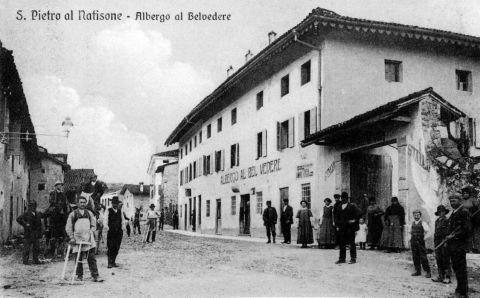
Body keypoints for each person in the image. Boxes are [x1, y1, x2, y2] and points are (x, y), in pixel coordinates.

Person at [65, 196, 100, 282]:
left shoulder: (89, 213)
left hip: (88, 238)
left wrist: (91, 232)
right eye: (81, 202)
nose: (82, 204)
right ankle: (79, 276)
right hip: (77, 238)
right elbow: (68, 227)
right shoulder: (73, 214)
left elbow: (93, 224)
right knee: (78, 258)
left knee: (91, 257)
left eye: (84, 202)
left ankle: (95, 275)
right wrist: (71, 238)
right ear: (77, 203)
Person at [446, 194, 471, 298]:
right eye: (451, 201)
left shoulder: (464, 212)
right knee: (456, 267)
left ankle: (463, 292)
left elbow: (467, 229)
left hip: (460, 245)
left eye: (454, 200)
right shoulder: (454, 213)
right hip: (453, 245)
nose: (452, 203)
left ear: (460, 201)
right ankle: (459, 289)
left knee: (461, 268)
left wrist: (454, 236)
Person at [334, 192, 361, 264]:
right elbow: (336, 217)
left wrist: (354, 220)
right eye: (342, 198)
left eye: (344, 198)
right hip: (342, 227)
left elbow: (359, 213)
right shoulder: (339, 206)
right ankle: (342, 258)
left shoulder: (352, 206)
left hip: (350, 228)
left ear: (347, 198)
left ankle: (353, 258)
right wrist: (337, 225)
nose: (343, 199)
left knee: (351, 243)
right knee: (342, 243)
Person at [46, 180, 69, 258]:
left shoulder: (63, 193)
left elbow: (65, 201)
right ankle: (48, 225)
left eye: (61, 185)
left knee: (67, 212)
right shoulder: (53, 193)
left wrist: (64, 206)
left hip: (62, 208)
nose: (60, 186)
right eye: (58, 185)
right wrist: (57, 204)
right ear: (56, 186)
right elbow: (51, 200)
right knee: (48, 212)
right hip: (55, 207)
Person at [17, 201, 44, 265]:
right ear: (30, 207)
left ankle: (36, 260)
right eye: (31, 206)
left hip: (36, 234)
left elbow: (40, 224)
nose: (33, 207)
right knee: (27, 248)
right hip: (29, 233)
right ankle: (25, 261)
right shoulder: (26, 214)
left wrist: (40, 233)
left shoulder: (37, 214)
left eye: (34, 206)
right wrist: (25, 224)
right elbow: (18, 219)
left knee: (36, 248)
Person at [432, 205, 452, 284]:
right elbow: (436, 233)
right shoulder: (437, 221)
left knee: (445, 259)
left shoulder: (447, 220)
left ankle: (447, 277)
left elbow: (448, 232)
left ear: (445, 212)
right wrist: (435, 243)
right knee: (439, 259)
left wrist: (446, 242)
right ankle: (440, 276)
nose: (441, 213)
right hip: (437, 242)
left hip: (444, 242)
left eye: (442, 212)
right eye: (439, 212)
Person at [410, 210, 431, 278]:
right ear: (413, 216)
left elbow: (428, 231)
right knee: (415, 256)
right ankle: (417, 271)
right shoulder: (412, 223)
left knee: (423, 257)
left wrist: (424, 238)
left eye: (418, 215)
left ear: (420, 215)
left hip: (420, 241)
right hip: (413, 241)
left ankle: (428, 271)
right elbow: (410, 232)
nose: (416, 216)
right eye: (415, 215)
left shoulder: (423, 223)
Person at [105, 196, 124, 268]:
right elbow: (105, 220)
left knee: (117, 246)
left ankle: (113, 261)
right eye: (114, 203)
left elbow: (122, 221)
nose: (115, 205)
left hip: (119, 231)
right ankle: (109, 262)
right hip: (111, 231)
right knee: (110, 246)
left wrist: (122, 227)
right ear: (112, 203)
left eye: (116, 203)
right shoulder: (108, 210)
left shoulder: (120, 211)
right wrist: (107, 228)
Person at [461, 186, 480, 253]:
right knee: (467, 234)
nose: (465, 194)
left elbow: (478, 209)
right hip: (465, 219)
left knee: (475, 234)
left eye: (466, 193)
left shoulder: (473, 200)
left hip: (474, 219)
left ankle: (477, 248)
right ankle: (468, 248)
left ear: (469, 194)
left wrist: (472, 213)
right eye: (464, 193)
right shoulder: (461, 201)